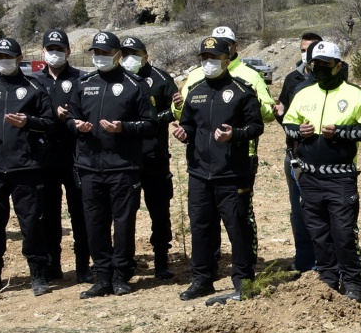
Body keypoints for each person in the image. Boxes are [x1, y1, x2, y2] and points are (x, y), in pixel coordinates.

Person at [283, 41, 361, 300]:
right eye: (316, 64)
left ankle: (353, 283)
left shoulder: (354, 94)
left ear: (338, 66)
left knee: (344, 233)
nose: (321, 69)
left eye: (326, 64)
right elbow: (288, 123)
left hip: (341, 177)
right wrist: (297, 131)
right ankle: (327, 278)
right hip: (310, 176)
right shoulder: (304, 93)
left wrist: (340, 133)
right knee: (318, 233)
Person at [174, 35, 264, 301]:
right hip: (200, 172)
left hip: (232, 173)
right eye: (204, 58)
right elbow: (190, 124)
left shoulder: (242, 90)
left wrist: (234, 134)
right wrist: (183, 133)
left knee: (237, 227)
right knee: (201, 227)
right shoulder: (196, 90)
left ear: (227, 60)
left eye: (214, 58)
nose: (208, 62)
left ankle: (243, 280)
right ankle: (202, 279)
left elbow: (256, 126)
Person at [68, 31, 156, 297]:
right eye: (96, 52)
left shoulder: (135, 84)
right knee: (94, 222)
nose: (100, 57)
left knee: (123, 223)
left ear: (118, 55)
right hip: (90, 167)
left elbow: (150, 124)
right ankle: (102, 275)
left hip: (123, 167)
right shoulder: (84, 83)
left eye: (105, 53)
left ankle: (121, 274)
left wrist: (124, 128)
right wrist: (77, 125)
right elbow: (71, 118)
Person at [0, 37, 56, 298]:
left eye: (7, 57)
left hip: (25, 168)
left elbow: (49, 123)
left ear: (19, 59)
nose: (2, 62)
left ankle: (38, 275)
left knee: (31, 224)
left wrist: (27, 121)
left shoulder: (34, 88)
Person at [119, 35, 179, 280]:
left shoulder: (162, 79)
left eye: (133, 53)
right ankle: (126, 261)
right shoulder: (118, 79)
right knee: (125, 212)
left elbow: (175, 110)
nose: (128, 58)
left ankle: (162, 260)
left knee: (159, 210)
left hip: (155, 155)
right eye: (124, 54)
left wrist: (153, 121)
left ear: (145, 55)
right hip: (125, 157)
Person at [32, 29, 89, 283]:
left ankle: (83, 267)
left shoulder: (81, 78)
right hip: (44, 156)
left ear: (68, 51)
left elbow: (89, 111)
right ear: (42, 51)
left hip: (75, 155)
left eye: (59, 49)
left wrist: (72, 115)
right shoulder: (34, 81)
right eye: (50, 49)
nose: (54, 53)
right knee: (49, 215)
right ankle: (52, 266)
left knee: (80, 213)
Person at [276, 31, 323, 273]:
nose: (307, 53)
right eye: (303, 49)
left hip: (323, 157)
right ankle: (304, 262)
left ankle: (326, 261)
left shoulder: (331, 78)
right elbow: (285, 118)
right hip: (294, 155)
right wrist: (280, 115)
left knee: (323, 210)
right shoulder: (291, 80)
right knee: (299, 210)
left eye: (312, 48)